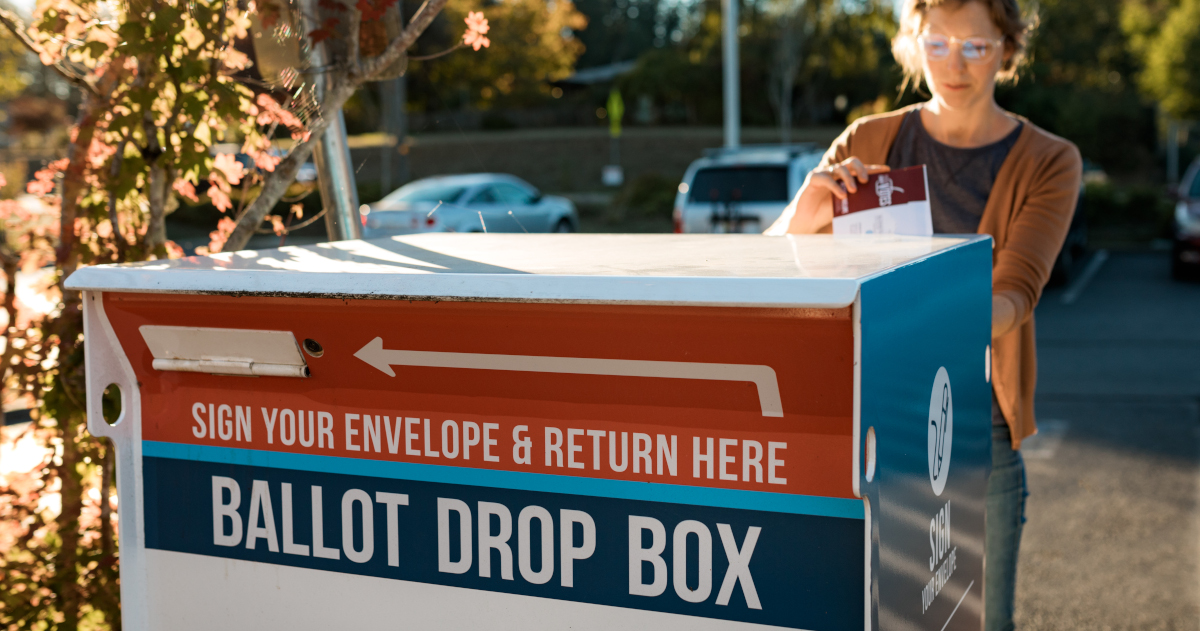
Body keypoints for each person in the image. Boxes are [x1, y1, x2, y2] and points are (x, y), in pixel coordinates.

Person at [766, 0, 1082, 628]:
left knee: (982, 620)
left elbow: (1015, 295)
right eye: (938, 45)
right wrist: (800, 220)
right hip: (861, 422)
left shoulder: (1048, 160)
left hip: (973, 429)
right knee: (865, 614)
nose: (955, 65)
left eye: (976, 47)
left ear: (1008, 50)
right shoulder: (866, 140)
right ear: (913, 43)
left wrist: (904, 324)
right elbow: (778, 271)